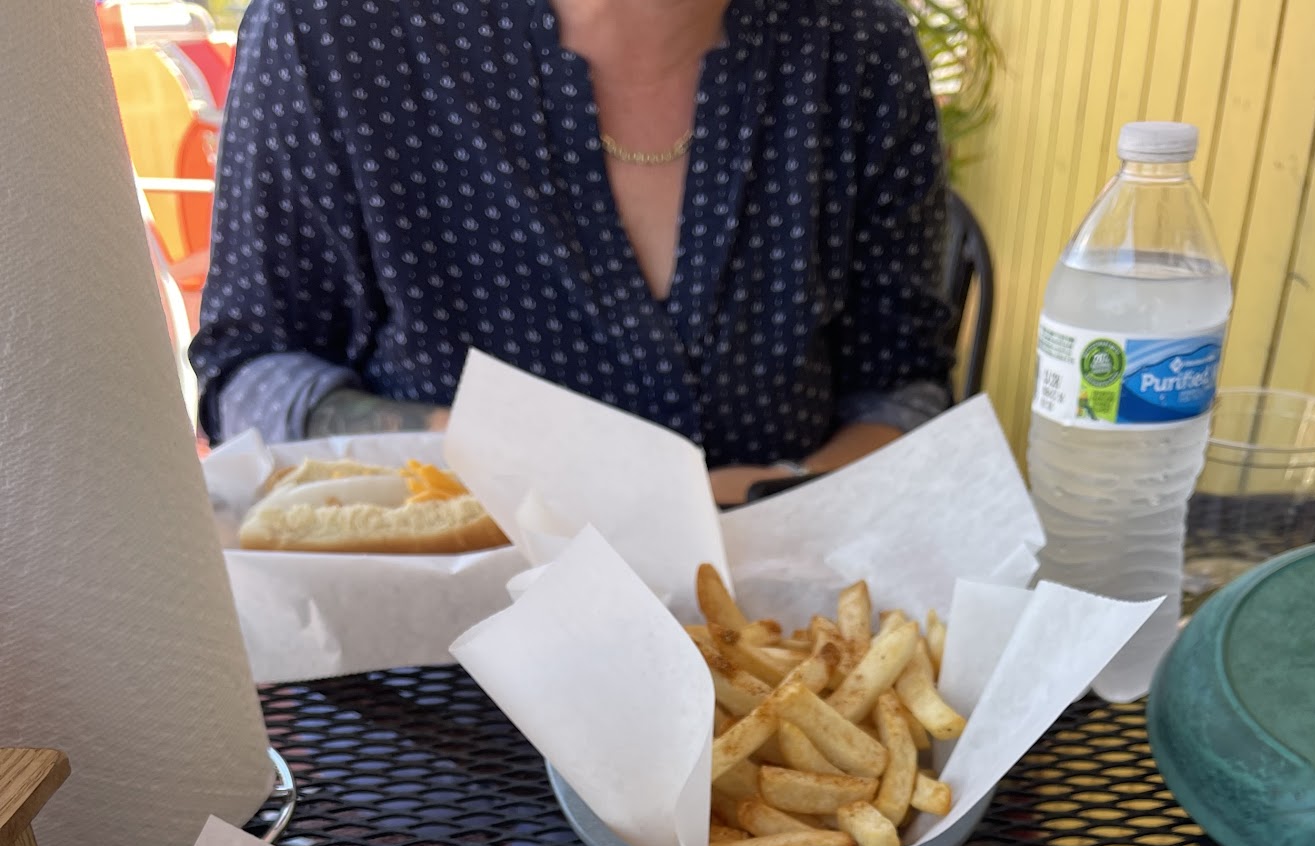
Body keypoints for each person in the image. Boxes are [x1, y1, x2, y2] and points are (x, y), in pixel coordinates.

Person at [191, 0, 957, 503]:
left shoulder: (860, 49)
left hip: (777, 640)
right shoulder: (331, 31)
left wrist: (769, 496)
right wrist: (484, 453)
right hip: (419, 661)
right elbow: (251, 374)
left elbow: (900, 388)